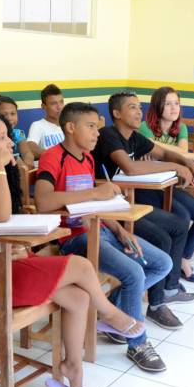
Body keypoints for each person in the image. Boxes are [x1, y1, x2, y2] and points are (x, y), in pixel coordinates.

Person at [0, 110, 146, 387]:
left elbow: (11, 221)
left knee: (79, 297)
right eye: (1, 138)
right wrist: (0, 169)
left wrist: (21, 245)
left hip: (10, 259)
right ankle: (111, 315)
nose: (9, 144)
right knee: (81, 265)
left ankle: (72, 367)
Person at [35, 102, 171, 371]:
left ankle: (111, 313)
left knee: (161, 263)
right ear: (70, 128)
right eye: (90, 127)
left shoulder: (87, 158)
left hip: (102, 230)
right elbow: (43, 201)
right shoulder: (53, 157)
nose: (97, 133)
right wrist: (94, 193)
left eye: (97, 128)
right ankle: (138, 344)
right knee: (134, 274)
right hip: (74, 239)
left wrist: (119, 230)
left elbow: (96, 205)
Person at [93, 92, 194, 330]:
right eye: (132, 108)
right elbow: (130, 168)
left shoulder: (134, 136)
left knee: (179, 224)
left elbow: (163, 153)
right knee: (161, 238)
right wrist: (175, 165)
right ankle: (155, 304)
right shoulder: (109, 135)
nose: (139, 112)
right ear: (116, 113)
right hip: (111, 211)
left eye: (140, 107)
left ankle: (168, 289)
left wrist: (187, 163)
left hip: (126, 202)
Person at [138, 86, 194, 282]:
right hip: (149, 188)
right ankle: (175, 271)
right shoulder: (145, 126)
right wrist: (192, 155)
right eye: (168, 104)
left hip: (171, 185)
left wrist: (162, 149)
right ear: (157, 106)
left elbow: (179, 153)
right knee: (183, 216)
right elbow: (180, 153)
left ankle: (183, 259)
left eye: (177, 103)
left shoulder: (181, 128)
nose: (174, 108)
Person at [0, 94, 34, 166]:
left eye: (13, 113)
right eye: (4, 115)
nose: (9, 118)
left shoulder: (18, 133)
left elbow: (27, 153)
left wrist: (27, 163)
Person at [27, 83, 65, 152]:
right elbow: (30, 147)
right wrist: (54, 156)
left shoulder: (69, 124)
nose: (59, 107)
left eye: (61, 102)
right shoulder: (38, 125)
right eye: (53, 103)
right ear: (43, 106)